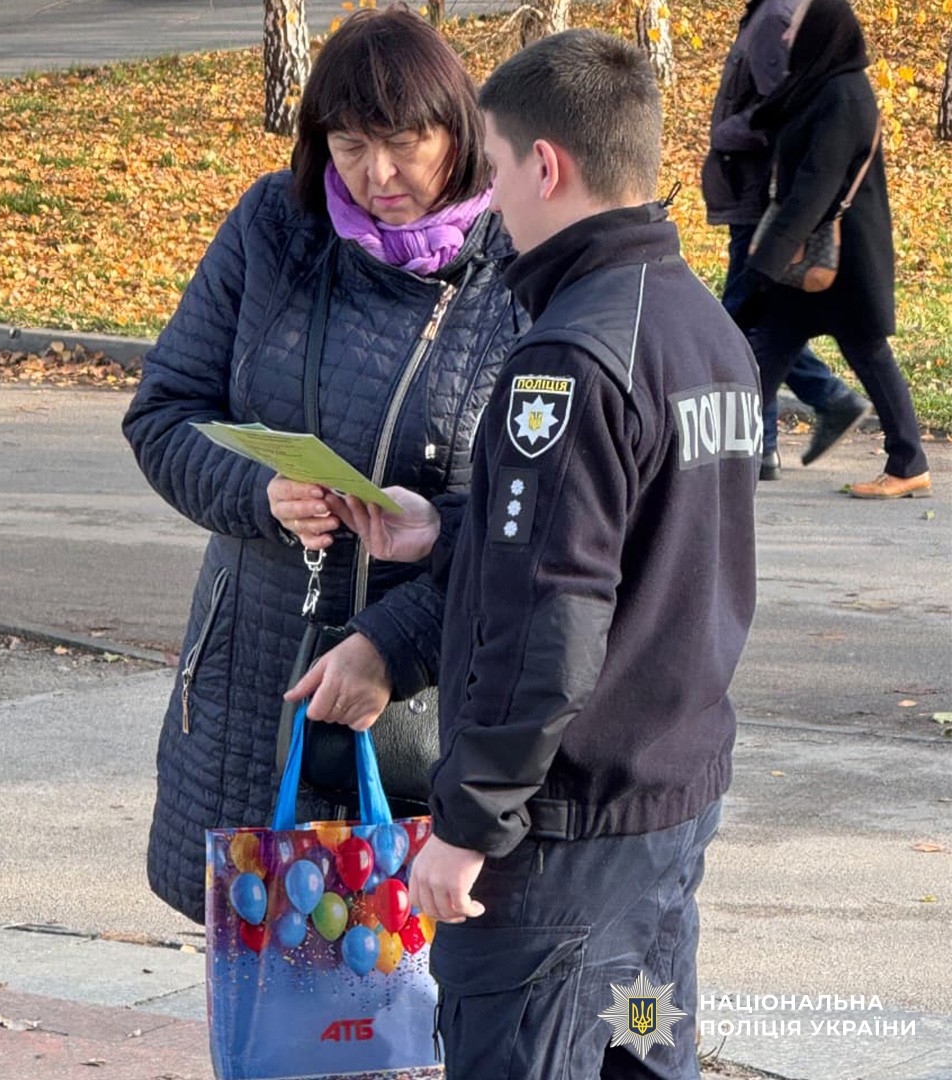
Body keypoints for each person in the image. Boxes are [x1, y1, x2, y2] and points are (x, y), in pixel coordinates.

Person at [331, 29, 760, 1078]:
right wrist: (453, 529)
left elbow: (551, 615)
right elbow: (638, 546)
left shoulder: (570, 358)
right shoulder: (705, 328)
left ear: (547, 165)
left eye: (493, 158)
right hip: (665, 817)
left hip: (556, 858)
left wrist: (467, 829)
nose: (488, 191)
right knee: (643, 1057)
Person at [122, 6, 526, 924]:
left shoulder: (514, 263)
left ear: (457, 129)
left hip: (422, 689)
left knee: (399, 974)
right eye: (349, 146)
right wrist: (261, 494)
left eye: (404, 143)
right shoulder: (277, 224)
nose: (378, 175)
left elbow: (535, 512)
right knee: (263, 979)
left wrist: (397, 639)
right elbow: (164, 413)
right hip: (254, 669)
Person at [729, 0, 931, 498]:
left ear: (822, 30)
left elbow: (813, 191)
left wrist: (763, 264)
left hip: (840, 257)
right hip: (815, 259)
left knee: (867, 354)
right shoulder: (821, 86)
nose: (786, 34)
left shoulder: (845, 96)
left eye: (796, 26)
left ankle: (909, 463)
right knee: (768, 351)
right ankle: (724, 458)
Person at [702, 0, 870, 481]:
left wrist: (728, 132)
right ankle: (772, 440)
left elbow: (787, 111)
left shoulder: (776, 16)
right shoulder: (767, 13)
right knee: (756, 321)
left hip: (759, 199)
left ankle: (794, 420)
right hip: (751, 196)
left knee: (740, 320)